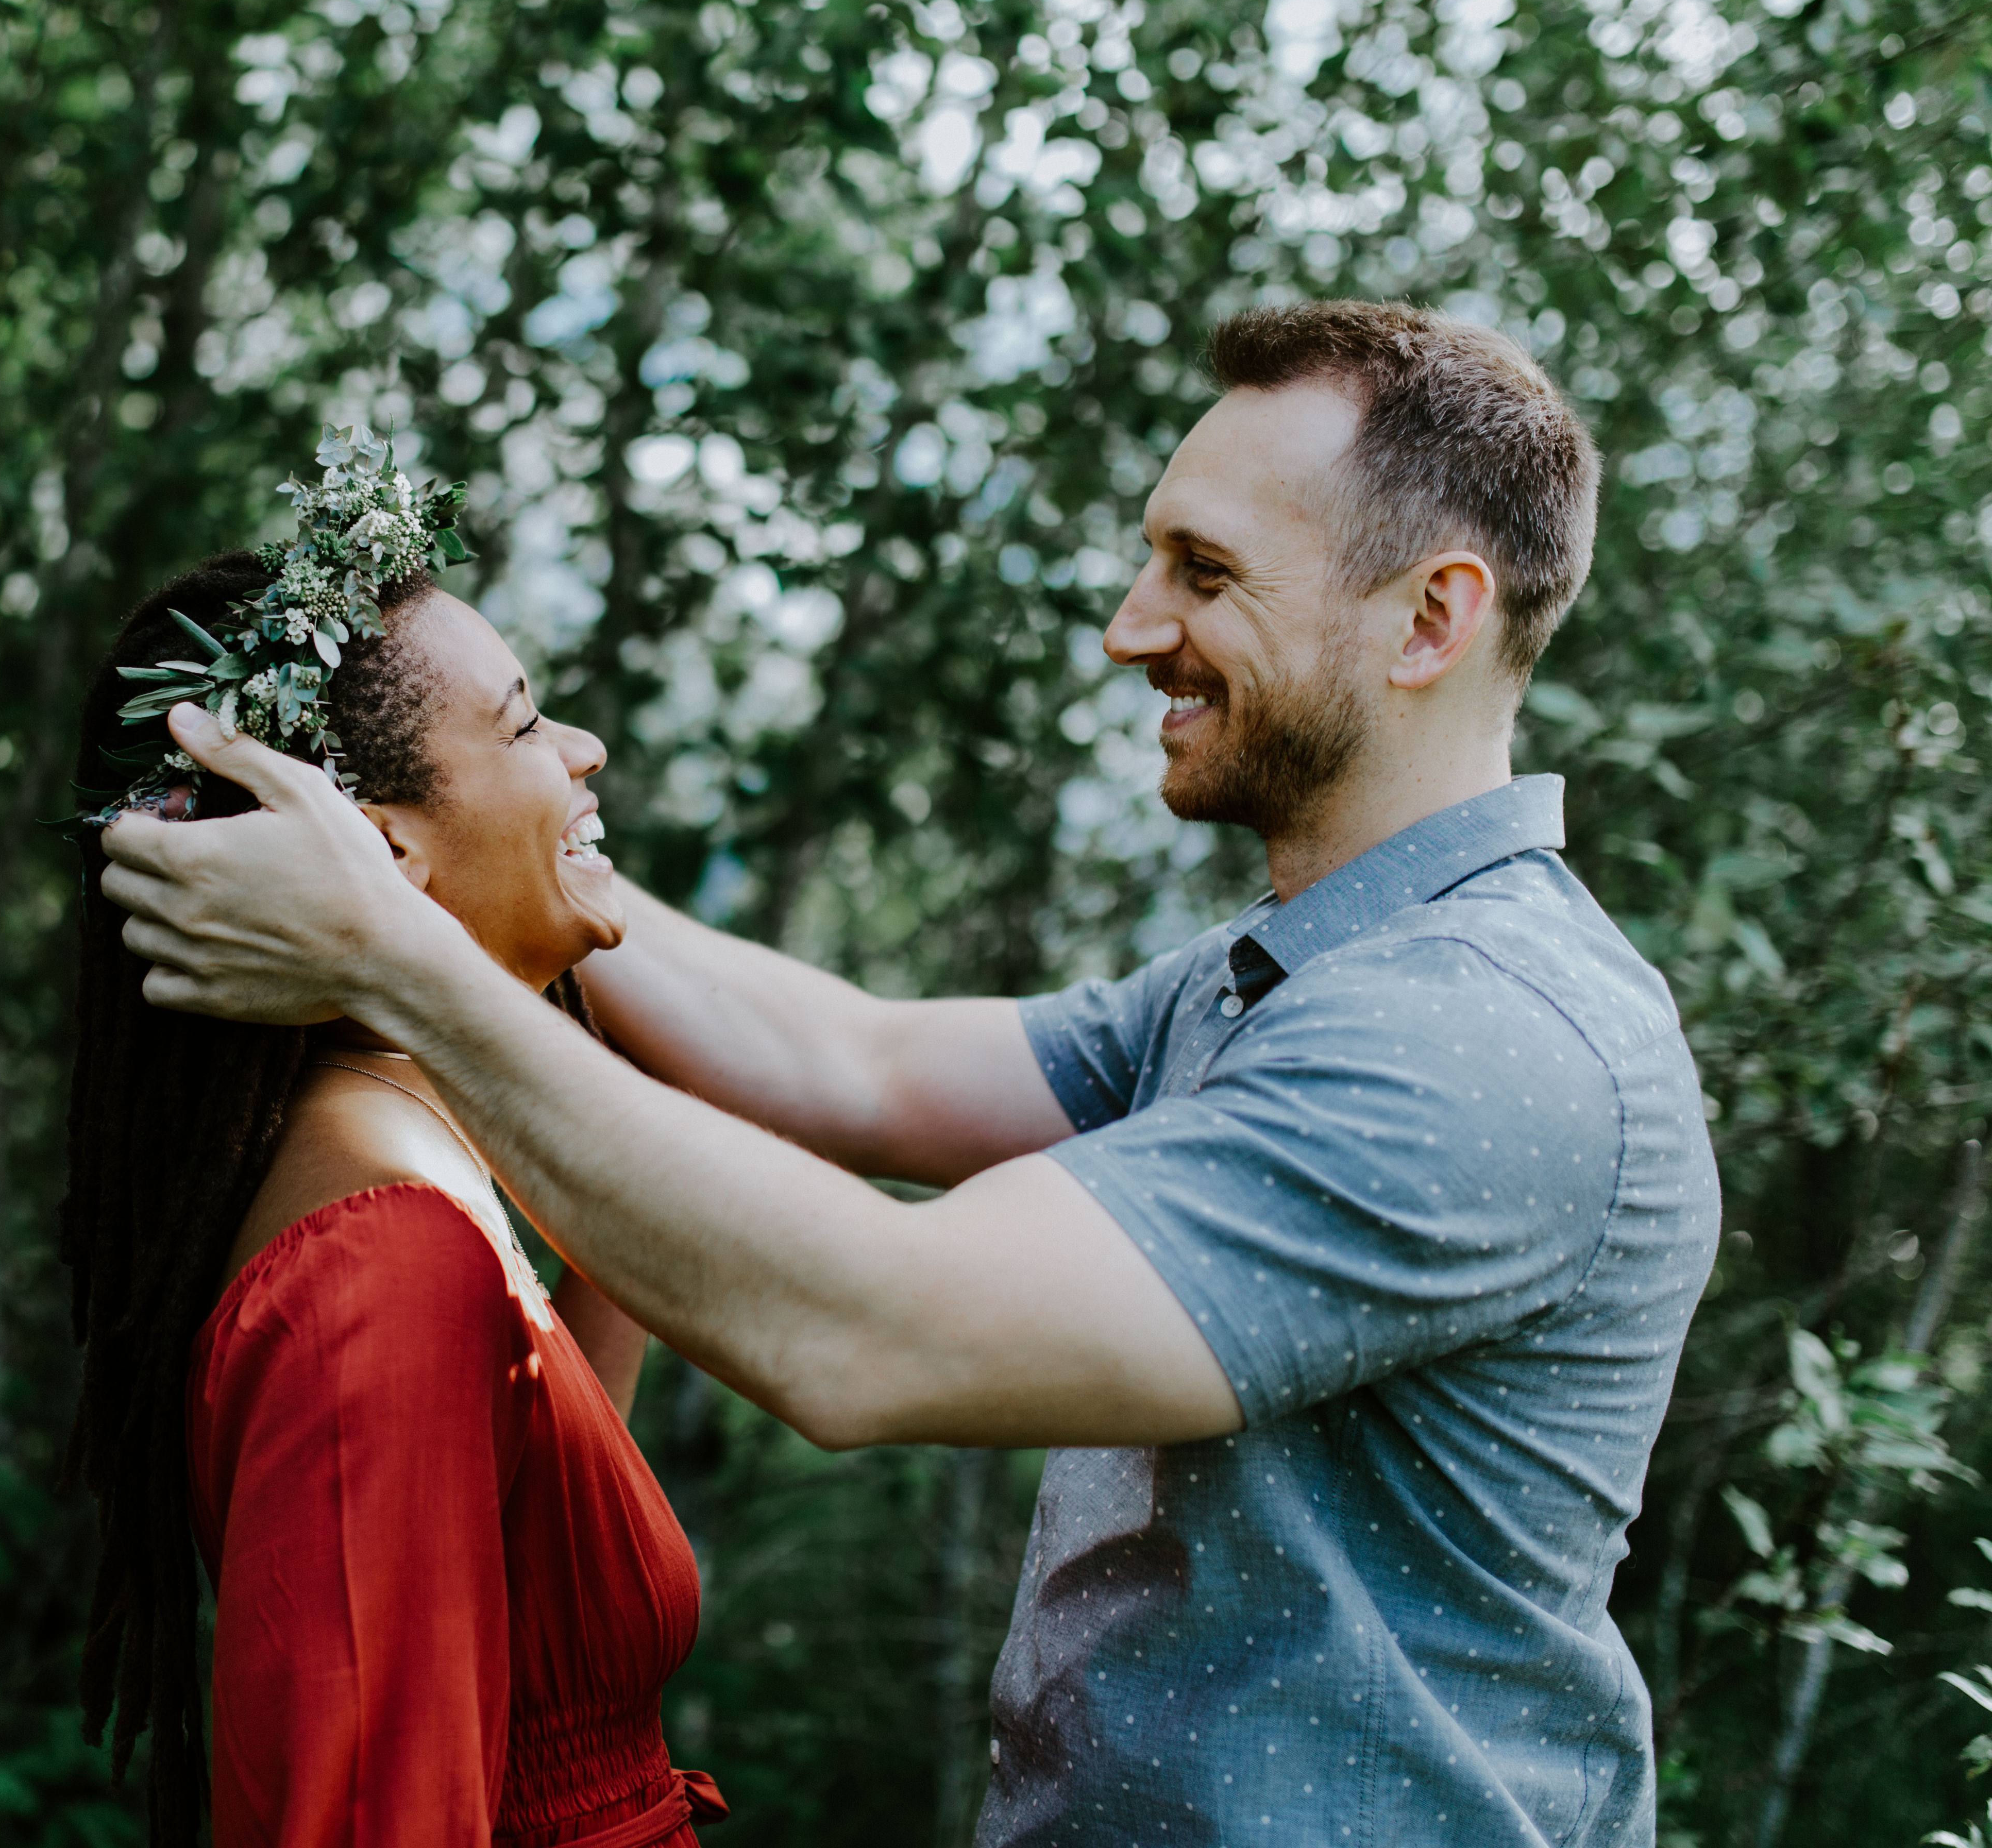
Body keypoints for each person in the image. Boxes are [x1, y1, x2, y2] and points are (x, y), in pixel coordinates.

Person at [98, 301, 1720, 1845]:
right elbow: (847, 1061)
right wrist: (489, 870)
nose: (1132, 628)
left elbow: (863, 1329)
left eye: (1206, 574)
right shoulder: (1279, 984)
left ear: (1430, 618)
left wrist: (401, 944)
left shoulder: (1475, 1041)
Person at [63, 523, 727, 1845]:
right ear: (381, 855)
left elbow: (541, 1538)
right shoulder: (377, 1266)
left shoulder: (426, 1158)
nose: (584, 751)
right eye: (528, 724)